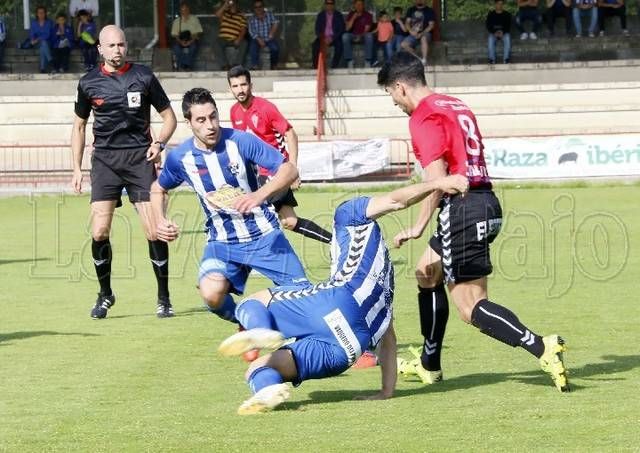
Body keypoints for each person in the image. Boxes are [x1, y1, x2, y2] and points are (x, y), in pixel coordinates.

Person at [377, 51, 570, 393]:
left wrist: (420, 224)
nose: (395, 104)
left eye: (392, 95)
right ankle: (429, 364)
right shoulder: (454, 104)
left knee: (470, 306)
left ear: (401, 87)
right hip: (486, 202)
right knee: (426, 271)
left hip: (462, 209)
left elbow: (438, 180)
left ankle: (541, 346)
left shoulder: (422, 117)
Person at [217, 174, 469, 415]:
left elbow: (397, 200)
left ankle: (258, 330)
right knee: (258, 368)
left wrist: (439, 182)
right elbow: (388, 337)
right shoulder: (384, 276)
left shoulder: (348, 213)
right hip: (350, 348)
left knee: (254, 301)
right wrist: (386, 391)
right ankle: (268, 390)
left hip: (338, 302)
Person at [150, 87, 310, 330]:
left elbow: (289, 169)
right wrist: (160, 220)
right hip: (222, 242)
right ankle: (246, 319)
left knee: (305, 298)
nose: (210, 125)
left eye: (213, 116)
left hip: (265, 235)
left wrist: (259, 195)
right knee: (211, 293)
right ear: (189, 122)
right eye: (201, 120)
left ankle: (350, 343)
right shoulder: (181, 158)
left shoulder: (240, 141)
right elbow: (157, 188)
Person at [70, 25, 178, 319]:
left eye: (121, 45)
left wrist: (159, 143)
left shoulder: (143, 77)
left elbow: (169, 117)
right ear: (100, 49)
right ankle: (105, 295)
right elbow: (79, 127)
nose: (117, 50)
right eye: (111, 46)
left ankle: (164, 298)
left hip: (139, 159)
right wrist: (77, 168)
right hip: (104, 161)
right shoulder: (89, 82)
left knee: (153, 229)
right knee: (99, 230)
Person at [227, 66, 333, 244]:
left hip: (273, 172)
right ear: (230, 89)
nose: (240, 90)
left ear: (251, 85)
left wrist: (292, 169)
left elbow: (290, 133)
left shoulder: (265, 108)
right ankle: (336, 242)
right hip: (253, 175)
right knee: (289, 222)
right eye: (235, 86)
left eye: (243, 85)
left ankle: (255, 259)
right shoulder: (234, 111)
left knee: (252, 214)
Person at [213, 0, 248, 71]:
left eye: (233, 1)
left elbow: (243, 30)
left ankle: (237, 65)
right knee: (216, 43)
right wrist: (225, 5)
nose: (231, 3)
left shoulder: (241, 15)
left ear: (236, 3)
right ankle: (225, 65)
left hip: (235, 39)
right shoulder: (224, 13)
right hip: (223, 38)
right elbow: (217, 14)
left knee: (244, 43)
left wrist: (239, 39)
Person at [311, 0, 345, 69]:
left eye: (331, 3)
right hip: (323, 37)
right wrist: (323, 38)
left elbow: (341, 29)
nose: (329, 5)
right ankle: (316, 67)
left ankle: (334, 66)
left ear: (334, 5)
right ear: (325, 5)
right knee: (315, 45)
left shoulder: (339, 15)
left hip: (334, 38)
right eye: (328, 3)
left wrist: (332, 38)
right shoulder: (321, 15)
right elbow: (317, 29)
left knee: (339, 46)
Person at [401, 0, 435, 66]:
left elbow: (431, 25)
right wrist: (411, 31)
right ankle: (419, 59)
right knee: (403, 44)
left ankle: (424, 60)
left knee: (424, 38)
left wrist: (421, 34)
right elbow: (407, 23)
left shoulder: (430, 11)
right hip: (413, 33)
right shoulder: (411, 10)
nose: (419, 1)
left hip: (425, 33)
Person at [170, 1, 202, 71]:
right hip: (180, 40)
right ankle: (186, 66)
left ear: (188, 10)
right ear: (180, 11)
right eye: (182, 10)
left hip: (193, 39)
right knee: (176, 49)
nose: (184, 12)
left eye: (185, 10)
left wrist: (190, 41)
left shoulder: (194, 19)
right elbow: (174, 34)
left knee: (193, 48)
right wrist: (181, 42)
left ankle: (183, 66)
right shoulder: (177, 21)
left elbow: (197, 33)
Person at [248, 0, 279, 70]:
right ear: (254, 9)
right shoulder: (251, 19)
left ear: (263, 7)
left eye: (260, 6)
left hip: (269, 38)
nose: (258, 9)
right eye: (256, 7)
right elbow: (251, 31)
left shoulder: (269, 14)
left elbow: (276, 23)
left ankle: (274, 65)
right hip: (257, 39)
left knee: (275, 48)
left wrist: (271, 33)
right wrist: (259, 39)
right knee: (252, 48)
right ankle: (255, 66)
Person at [342, 0, 374, 68]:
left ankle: (367, 61)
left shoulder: (368, 15)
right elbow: (347, 28)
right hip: (353, 35)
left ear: (363, 6)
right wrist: (353, 18)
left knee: (369, 36)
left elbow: (367, 29)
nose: (359, 6)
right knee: (345, 36)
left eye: (360, 4)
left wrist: (360, 36)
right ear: (354, 5)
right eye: (357, 4)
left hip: (363, 35)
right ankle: (350, 61)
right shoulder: (351, 14)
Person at [29, 6, 55, 73]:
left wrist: (37, 39)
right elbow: (32, 34)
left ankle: (43, 68)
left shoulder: (49, 22)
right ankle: (50, 61)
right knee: (42, 45)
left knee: (43, 45)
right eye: (39, 13)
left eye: (42, 12)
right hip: (36, 43)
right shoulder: (34, 23)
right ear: (37, 14)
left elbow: (47, 35)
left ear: (45, 13)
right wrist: (32, 40)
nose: (41, 14)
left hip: (48, 42)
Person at [486, 0, 512, 64]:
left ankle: (506, 59)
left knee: (507, 39)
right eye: (498, 4)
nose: (499, 6)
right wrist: (494, 32)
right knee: (490, 40)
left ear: (503, 5)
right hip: (493, 33)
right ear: (495, 4)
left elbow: (508, 26)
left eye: (501, 4)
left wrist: (503, 32)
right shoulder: (491, 14)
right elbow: (488, 25)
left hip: (504, 33)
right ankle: (492, 59)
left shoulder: (507, 14)